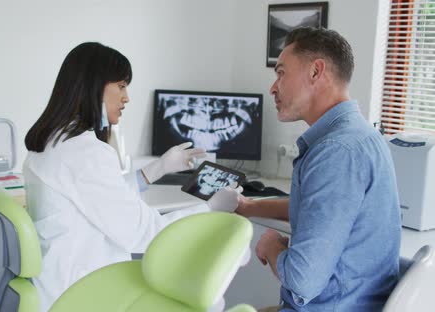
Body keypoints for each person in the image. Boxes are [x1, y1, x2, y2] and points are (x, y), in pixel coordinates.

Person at [23, 42, 243, 311]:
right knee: (210, 300)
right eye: (121, 86)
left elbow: (96, 198)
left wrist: (157, 169)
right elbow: (145, 234)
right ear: (94, 86)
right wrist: (210, 209)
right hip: (85, 292)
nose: (126, 97)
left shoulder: (52, 141)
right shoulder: (85, 153)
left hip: (60, 284)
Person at [235, 27, 401, 311]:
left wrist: (272, 247)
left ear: (316, 72)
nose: (273, 87)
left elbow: (302, 281)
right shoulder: (359, 136)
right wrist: (250, 206)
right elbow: (319, 206)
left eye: (281, 73)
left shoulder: (336, 153)